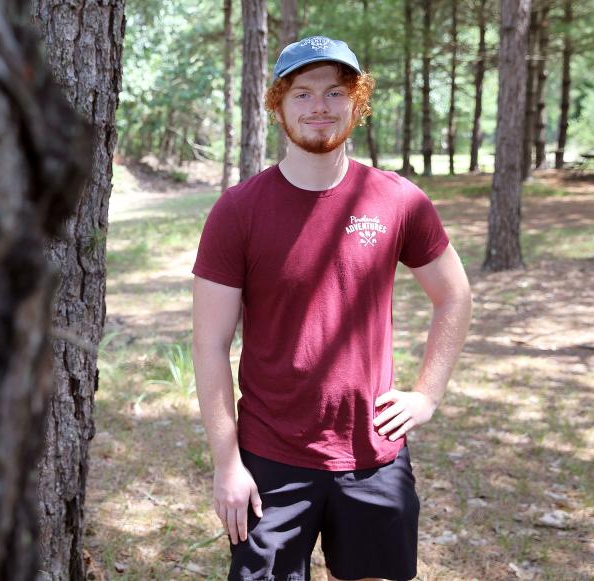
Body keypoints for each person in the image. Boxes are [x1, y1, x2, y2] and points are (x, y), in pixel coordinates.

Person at [191, 36, 472, 581]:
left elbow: (454, 295)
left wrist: (428, 394)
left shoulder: (397, 200)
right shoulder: (237, 211)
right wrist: (227, 463)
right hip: (270, 458)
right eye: (302, 93)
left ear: (356, 101)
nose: (318, 106)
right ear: (278, 104)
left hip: (373, 455)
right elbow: (209, 343)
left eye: (335, 91)